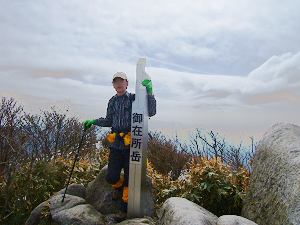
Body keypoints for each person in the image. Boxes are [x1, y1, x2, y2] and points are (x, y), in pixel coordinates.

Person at [83, 72, 156, 222]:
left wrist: (150, 93)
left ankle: (123, 210)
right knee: (111, 176)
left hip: (132, 144)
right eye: (115, 82)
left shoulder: (134, 98)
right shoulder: (112, 101)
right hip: (116, 144)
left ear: (127, 83)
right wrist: (94, 121)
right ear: (113, 85)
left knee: (130, 179)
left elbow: (152, 111)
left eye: (121, 81)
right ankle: (119, 189)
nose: (119, 85)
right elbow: (109, 120)